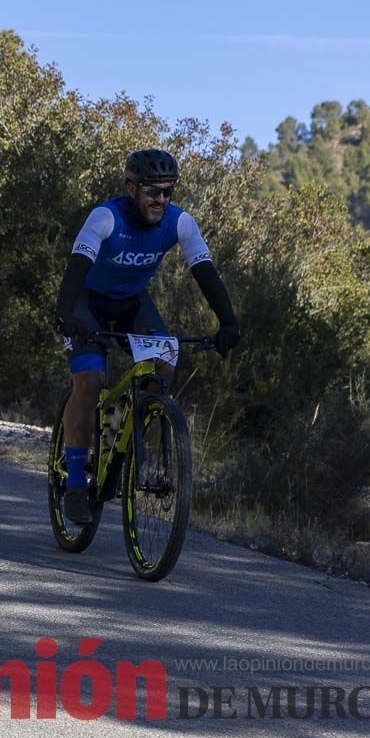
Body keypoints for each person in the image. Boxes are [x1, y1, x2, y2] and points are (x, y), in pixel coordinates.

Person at [53, 148, 239, 525]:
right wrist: (66, 314)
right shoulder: (107, 216)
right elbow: (77, 267)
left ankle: (128, 439)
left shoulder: (179, 222)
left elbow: (205, 272)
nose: (161, 200)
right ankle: (74, 483)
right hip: (88, 303)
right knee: (90, 381)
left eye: (168, 192)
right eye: (153, 191)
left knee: (165, 363)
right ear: (133, 187)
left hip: (132, 304)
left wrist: (228, 323)